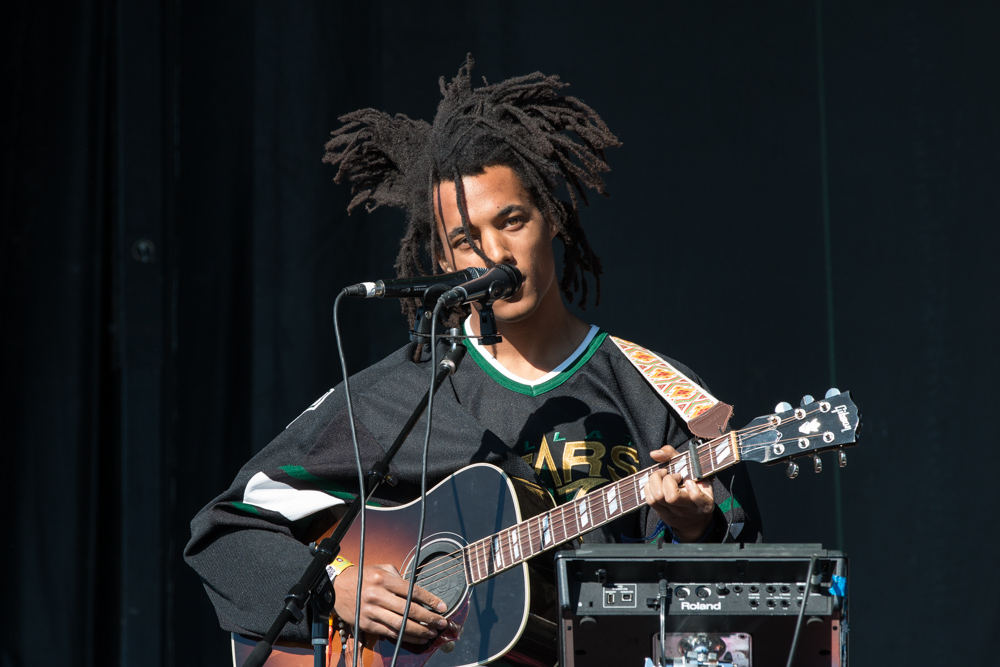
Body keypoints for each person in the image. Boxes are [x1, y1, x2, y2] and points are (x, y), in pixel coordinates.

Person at [184, 56, 762, 663]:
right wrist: (334, 588)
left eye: (511, 221)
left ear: (552, 221)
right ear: (442, 260)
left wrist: (698, 529)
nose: (494, 253)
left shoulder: (660, 393)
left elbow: (743, 610)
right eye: (466, 240)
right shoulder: (397, 397)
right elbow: (225, 531)